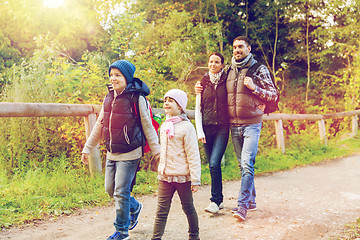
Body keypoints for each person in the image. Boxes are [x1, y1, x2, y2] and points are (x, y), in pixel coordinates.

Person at [195, 36, 278, 221]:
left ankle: (242, 206)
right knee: (243, 165)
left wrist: (255, 88)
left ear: (249, 48)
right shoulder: (230, 70)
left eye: (240, 46)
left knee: (247, 163)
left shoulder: (259, 69)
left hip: (252, 124)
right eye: (234, 47)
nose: (237, 50)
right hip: (234, 125)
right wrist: (199, 87)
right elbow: (212, 82)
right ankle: (252, 201)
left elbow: (273, 94)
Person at [81, 60, 160, 240]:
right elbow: (99, 125)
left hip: (130, 153)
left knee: (120, 192)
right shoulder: (108, 97)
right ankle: (135, 207)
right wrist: (87, 147)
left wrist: (158, 152)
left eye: (118, 75)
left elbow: (148, 126)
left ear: (127, 77)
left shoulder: (137, 98)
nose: (113, 78)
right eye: (111, 75)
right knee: (111, 189)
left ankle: (121, 231)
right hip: (112, 153)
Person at [152, 89, 201, 240]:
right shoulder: (165, 125)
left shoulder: (187, 127)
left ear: (180, 106)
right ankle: (156, 237)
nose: (166, 103)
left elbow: (193, 154)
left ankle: (194, 236)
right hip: (165, 176)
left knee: (188, 207)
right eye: (165, 100)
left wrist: (195, 179)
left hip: (182, 177)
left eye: (171, 100)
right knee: (161, 211)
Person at [195, 52, 229, 214]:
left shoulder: (227, 80)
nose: (213, 64)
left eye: (217, 62)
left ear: (222, 64)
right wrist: (199, 131)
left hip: (223, 127)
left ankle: (215, 201)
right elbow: (198, 109)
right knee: (212, 165)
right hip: (206, 127)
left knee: (215, 163)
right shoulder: (203, 82)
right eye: (211, 61)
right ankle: (220, 199)